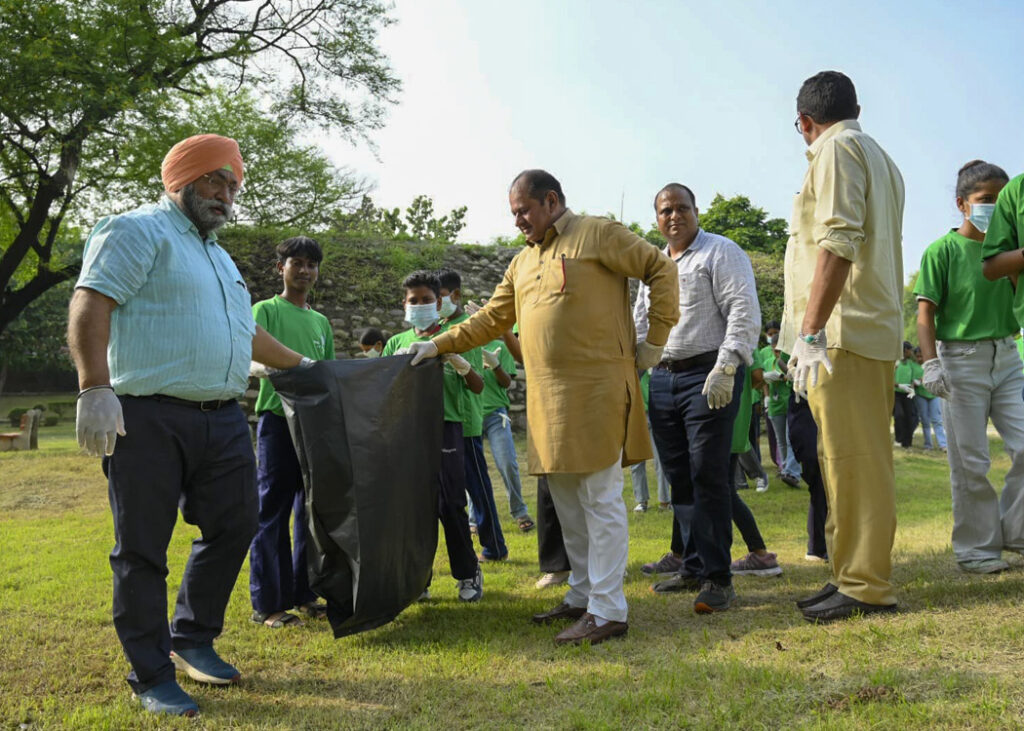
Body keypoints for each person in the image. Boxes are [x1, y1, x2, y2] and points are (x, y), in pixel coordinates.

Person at [69, 134, 314, 717]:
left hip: (222, 418)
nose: (226, 194)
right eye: (215, 180)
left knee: (238, 524)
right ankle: (151, 674)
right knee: (142, 549)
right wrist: (94, 387)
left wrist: (303, 366)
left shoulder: (219, 256)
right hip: (148, 418)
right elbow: (91, 302)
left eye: (233, 185)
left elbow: (246, 333)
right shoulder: (137, 230)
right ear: (182, 178)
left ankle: (192, 638)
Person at [408, 170, 679, 645]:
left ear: (551, 201)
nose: (517, 221)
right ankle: (582, 593)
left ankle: (609, 609)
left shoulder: (597, 233)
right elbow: (491, 318)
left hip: (597, 390)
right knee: (568, 503)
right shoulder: (522, 262)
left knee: (600, 498)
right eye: (513, 213)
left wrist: (655, 340)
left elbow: (661, 268)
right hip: (548, 399)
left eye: (523, 211)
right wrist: (439, 344)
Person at [782, 71, 904, 622]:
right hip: (857, 331)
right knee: (842, 461)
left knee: (855, 463)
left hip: (844, 333)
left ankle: (866, 585)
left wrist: (810, 331)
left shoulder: (835, 151)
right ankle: (849, 573)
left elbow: (838, 240)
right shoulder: (877, 155)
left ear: (805, 122)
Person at [636, 182, 761, 613]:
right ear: (657, 219)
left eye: (681, 208)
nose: (674, 216)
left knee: (708, 474)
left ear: (696, 210)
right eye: (665, 211)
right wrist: (633, 368)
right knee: (679, 478)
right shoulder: (654, 265)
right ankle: (692, 566)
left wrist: (727, 366)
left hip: (708, 375)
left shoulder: (720, 252)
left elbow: (742, 309)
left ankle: (718, 578)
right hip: (663, 378)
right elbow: (641, 323)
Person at [918, 160, 1024, 574]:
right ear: (962, 203)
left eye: (1001, 200)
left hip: (1008, 356)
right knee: (971, 461)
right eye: (985, 199)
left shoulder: (1010, 253)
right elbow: (925, 314)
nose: (993, 207)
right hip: (960, 362)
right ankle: (976, 549)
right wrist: (930, 364)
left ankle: (1016, 532)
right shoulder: (941, 251)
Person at [382, 270, 484, 600]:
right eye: (414, 301)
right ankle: (418, 580)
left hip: (446, 427)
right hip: (409, 431)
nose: (420, 305)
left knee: (451, 504)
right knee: (415, 507)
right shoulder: (396, 342)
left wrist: (457, 361)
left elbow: (478, 386)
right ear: (404, 304)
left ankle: (468, 574)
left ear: (439, 303)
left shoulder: (457, 336)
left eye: (427, 300)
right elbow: (382, 391)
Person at [248, 236, 334, 629]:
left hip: (313, 425)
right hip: (277, 421)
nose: (304, 270)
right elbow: (249, 355)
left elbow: (327, 376)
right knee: (272, 511)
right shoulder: (265, 310)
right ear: (279, 268)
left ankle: (304, 592)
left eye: (311, 264)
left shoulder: (321, 323)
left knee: (309, 511)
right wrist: (268, 369)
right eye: (296, 262)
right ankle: (268, 603)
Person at [436, 268, 509, 562]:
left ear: (455, 295)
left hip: (465, 424)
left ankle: (495, 547)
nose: (435, 304)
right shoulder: (440, 328)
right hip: (442, 424)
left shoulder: (466, 330)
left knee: (478, 488)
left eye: (439, 297)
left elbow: (475, 381)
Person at [727, 360, 782, 577]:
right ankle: (759, 553)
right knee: (725, 490)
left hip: (724, 419)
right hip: (735, 418)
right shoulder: (747, 346)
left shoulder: (736, 342)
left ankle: (758, 553)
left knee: (718, 490)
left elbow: (758, 376)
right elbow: (757, 378)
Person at [479, 337, 536, 531]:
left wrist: (495, 365)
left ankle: (519, 511)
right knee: (473, 468)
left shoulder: (500, 347)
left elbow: (506, 383)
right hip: (470, 414)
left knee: (508, 463)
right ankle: (474, 519)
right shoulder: (463, 346)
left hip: (496, 415)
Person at [629, 369, 672, 512]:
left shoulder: (653, 365)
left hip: (656, 413)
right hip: (634, 414)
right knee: (636, 460)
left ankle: (665, 501)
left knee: (661, 460)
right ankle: (642, 501)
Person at [762, 334, 801, 487]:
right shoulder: (768, 362)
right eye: (775, 351)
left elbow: (793, 377)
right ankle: (785, 468)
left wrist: (784, 377)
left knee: (791, 438)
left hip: (789, 402)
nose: (777, 353)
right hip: (775, 405)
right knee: (781, 440)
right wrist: (766, 395)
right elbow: (761, 380)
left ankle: (791, 471)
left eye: (779, 350)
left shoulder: (789, 359)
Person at [911, 346, 945, 451]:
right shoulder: (912, 366)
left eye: (921, 356)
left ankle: (943, 445)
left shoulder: (930, 365)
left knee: (937, 420)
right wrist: (914, 382)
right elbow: (910, 379)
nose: (919, 358)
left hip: (933, 395)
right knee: (925, 421)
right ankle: (928, 445)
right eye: (917, 356)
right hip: (920, 396)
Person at [893, 341, 918, 449]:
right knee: (899, 415)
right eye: (910, 350)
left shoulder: (910, 364)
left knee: (909, 417)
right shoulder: (896, 363)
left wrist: (912, 389)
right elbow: (889, 379)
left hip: (907, 394)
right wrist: (899, 385)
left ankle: (907, 443)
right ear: (905, 350)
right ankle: (898, 439)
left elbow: (912, 379)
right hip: (896, 393)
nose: (911, 352)